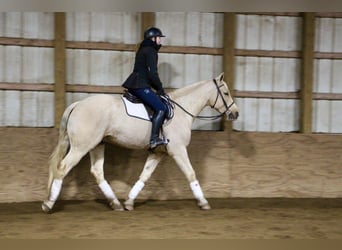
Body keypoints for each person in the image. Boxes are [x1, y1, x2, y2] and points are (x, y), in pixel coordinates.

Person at [122, 27, 168, 149]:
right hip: (140, 86)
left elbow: (146, 74)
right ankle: (154, 139)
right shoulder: (151, 51)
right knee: (161, 108)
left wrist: (156, 87)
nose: (160, 40)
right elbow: (152, 74)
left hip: (135, 84)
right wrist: (160, 88)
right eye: (159, 37)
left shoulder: (143, 49)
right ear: (153, 38)